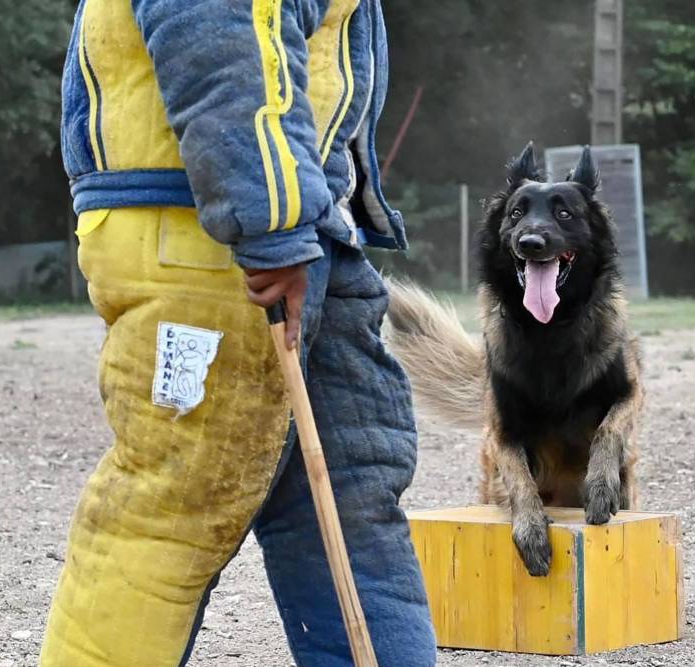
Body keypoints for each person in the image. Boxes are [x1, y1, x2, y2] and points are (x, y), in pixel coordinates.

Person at [39, 1, 437, 666]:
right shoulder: (264, 217)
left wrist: (301, 219)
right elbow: (219, 28)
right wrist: (273, 220)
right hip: (216, 233)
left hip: (298, 232)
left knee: (347, 499)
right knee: (171, 507)